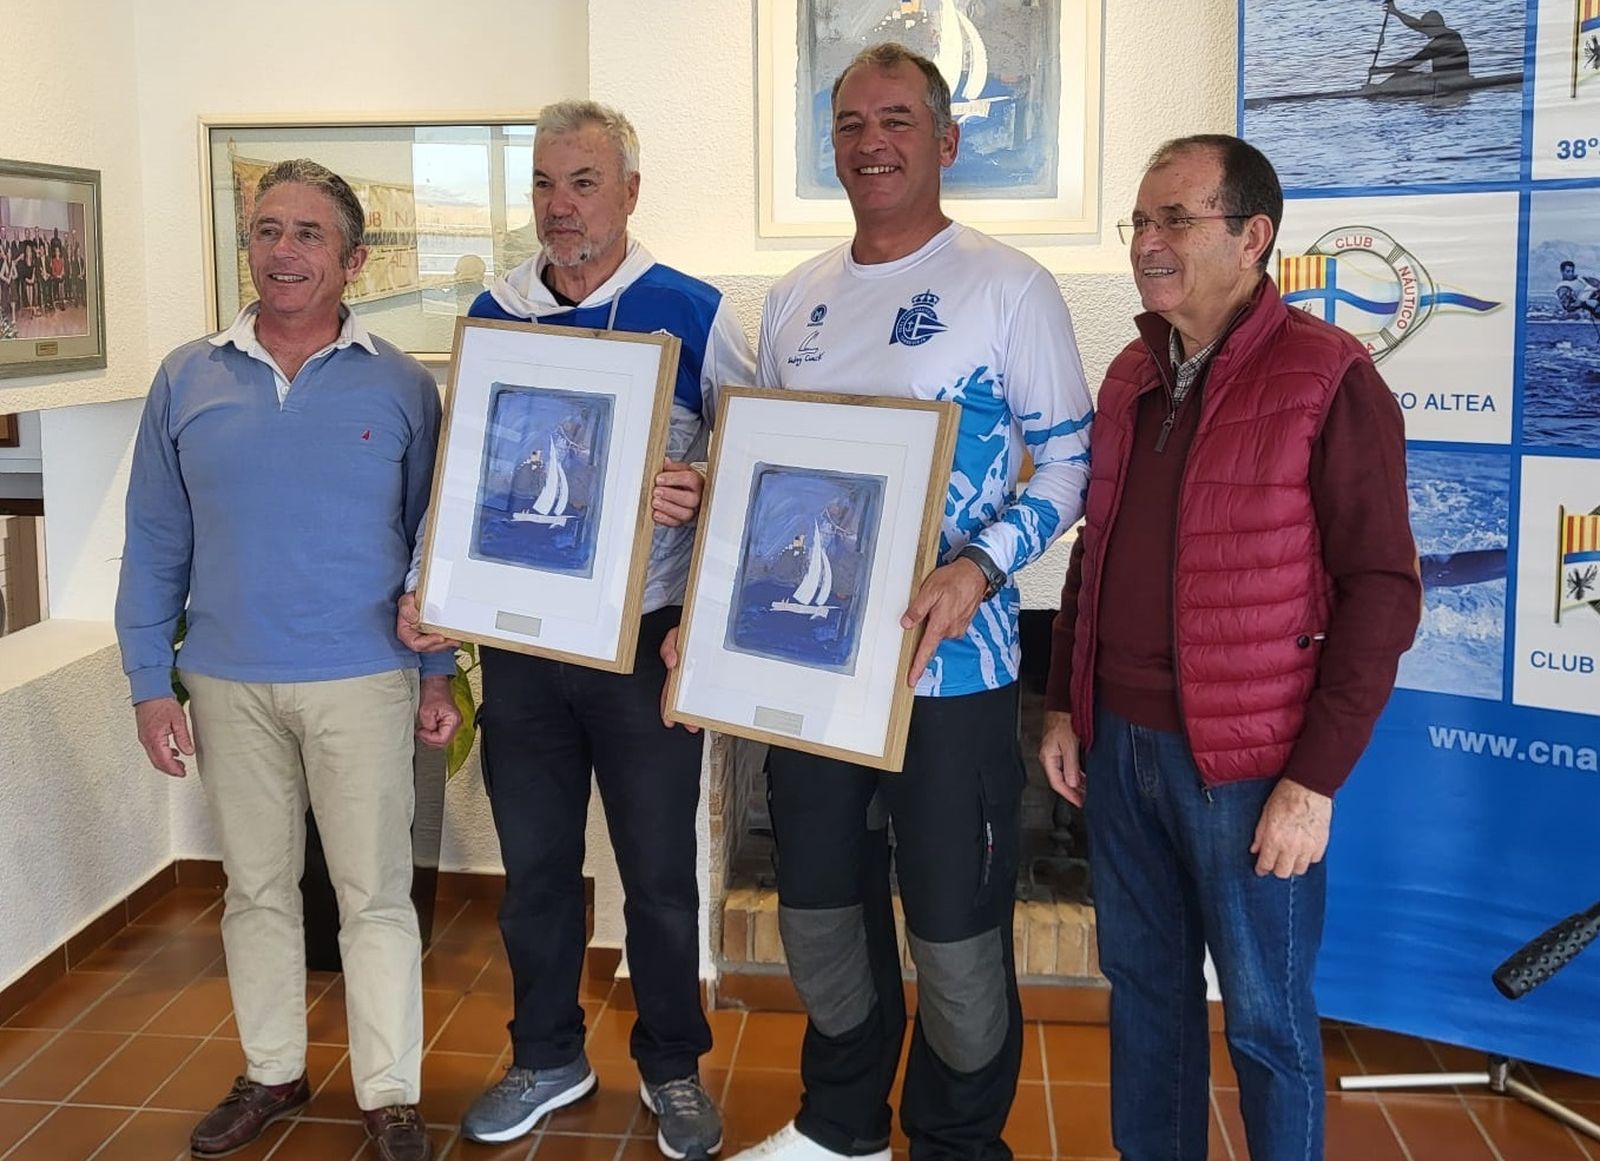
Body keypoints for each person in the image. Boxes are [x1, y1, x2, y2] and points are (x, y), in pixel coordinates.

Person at [676, 42, 1094, 1161]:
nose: (872, 142)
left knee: (956, 934)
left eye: (898, 120)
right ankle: (839, 1125)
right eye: (852, 122)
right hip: (807, 666)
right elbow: (776, 485)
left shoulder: (1008, 286)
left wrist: (980, 566)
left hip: (953, 673)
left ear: (947, 142)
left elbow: (1070, 466)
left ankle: (957, 1142)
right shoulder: (799, 296)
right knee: (817, 911)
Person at [1039, 135, 1422, 1161]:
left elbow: (1382, 590)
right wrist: (1064, 705)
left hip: (1251, 772)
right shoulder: (1129, 373)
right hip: (1119, 748)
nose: (1147, 243)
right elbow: (1093, 553)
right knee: (1146, 999)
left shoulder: (1325, 377)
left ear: (1251, 237)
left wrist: (1314, 780)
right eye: (1140, 222)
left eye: (1175, 220)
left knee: (1264, 1019)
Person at [396, 99, 756, 1157]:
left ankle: (672, 1065)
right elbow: (464, 467)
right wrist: (431, 590)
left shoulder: (690, 310)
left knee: (656, 870)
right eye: (546, 185)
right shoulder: (496, 309)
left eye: (585, 183)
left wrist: (701, 483)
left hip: (644, 642)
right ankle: (547, 1053)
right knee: (537, 868)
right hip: (521, 642)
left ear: (631, 193)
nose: (561, 206)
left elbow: (755, 463)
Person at [115, 158, 459, 1161]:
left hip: (362, 678)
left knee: (375, 894)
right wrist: (149, 682)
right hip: (226, 678)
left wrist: (439, 674)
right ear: (248, 247)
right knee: (256, 890)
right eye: (268, 230)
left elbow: (429, 550)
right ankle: (271, 1071)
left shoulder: (401, 383)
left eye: (309, 234)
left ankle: (391, 1092)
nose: (284, 251)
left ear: (352, 259)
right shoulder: (186, 376)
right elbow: (154, 539)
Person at [1376, 2, 1470, 77]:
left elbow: (1412, 62)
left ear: (1434, 26)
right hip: (1448, 78)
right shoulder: (1452, 35)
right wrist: (1396, 12)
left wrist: (1381, 70)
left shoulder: (1441, 43)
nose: (1423, 31)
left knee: (1400, 76)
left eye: (1426, 27)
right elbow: (1415, 25)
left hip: (1448, 81)